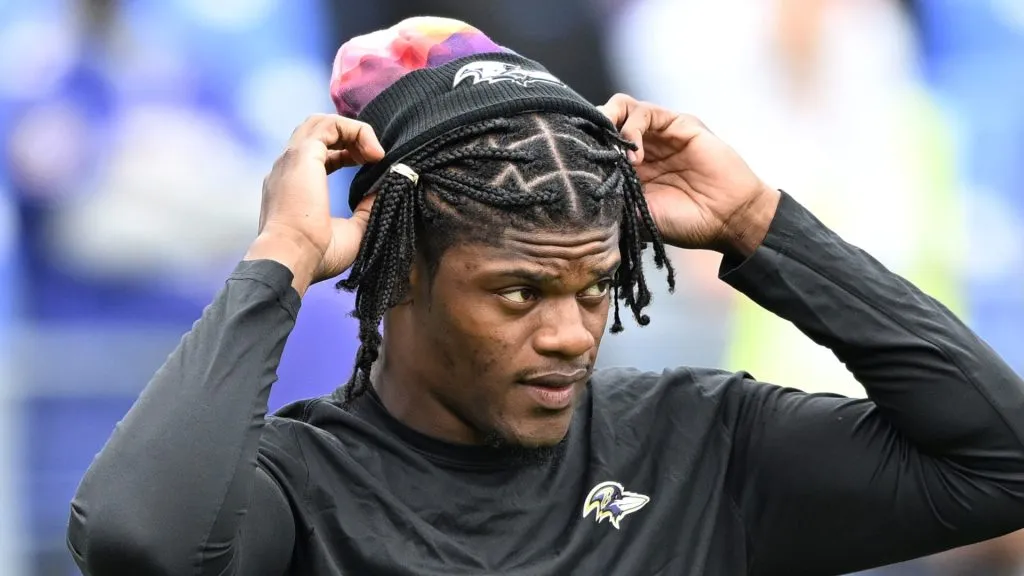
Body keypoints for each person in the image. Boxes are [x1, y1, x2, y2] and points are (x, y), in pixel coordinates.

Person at [67, 17, 1024, 576]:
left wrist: (760, 224)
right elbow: (136, 542)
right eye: (519, 292)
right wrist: (278, 258)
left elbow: (1003, 463)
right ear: (398, 271)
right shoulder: (299, 492)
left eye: (597, 286)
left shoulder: (702, 446)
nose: (571, 334)